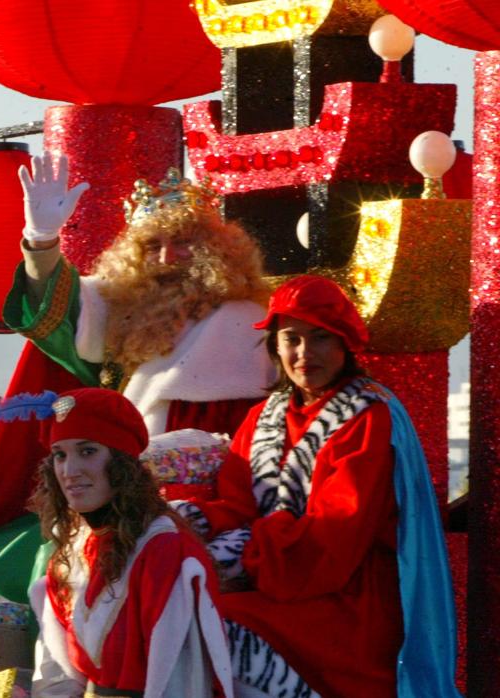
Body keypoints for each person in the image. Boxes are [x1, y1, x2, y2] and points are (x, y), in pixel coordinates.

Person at [178, 275, 458, 697]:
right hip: (278, 580)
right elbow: (236, 505)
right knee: (177, 608)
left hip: (348, 601)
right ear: (275, 345)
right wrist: (186, 526)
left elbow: (334, 541)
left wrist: (238, 564)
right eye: (291, 338)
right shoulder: (262, 417)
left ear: (345, 344)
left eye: (321, 338)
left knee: (209, 622)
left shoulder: (368, 417)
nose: (304, 353)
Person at [6, 154, 272, 437]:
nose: (167, 258)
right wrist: (42, 239)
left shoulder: (241, 320)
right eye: (152, 246)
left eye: (182, 243)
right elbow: (60, 307)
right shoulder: (119, 303)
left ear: (216, 249)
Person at [24, 387, 232, 698]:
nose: (69, 471)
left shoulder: (164, 550)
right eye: (60, 455)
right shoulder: (70, 554)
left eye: (88, 451)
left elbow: (180, 682)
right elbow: (58, 674)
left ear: (121, 462)